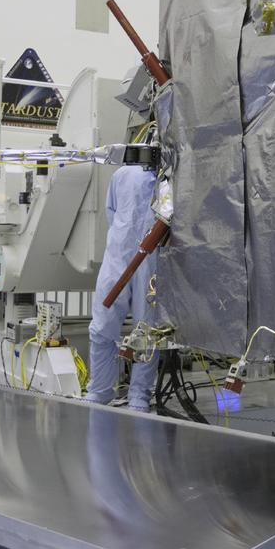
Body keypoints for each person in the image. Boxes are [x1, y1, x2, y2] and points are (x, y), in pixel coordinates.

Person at [85, 165, 159, 412]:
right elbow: (112, 211)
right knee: (103, 324)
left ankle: (139, 395)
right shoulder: (123, 174)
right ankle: (100, 390)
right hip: (118, 254)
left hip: (153, 260)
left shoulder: (169, 175)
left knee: (146, 329)